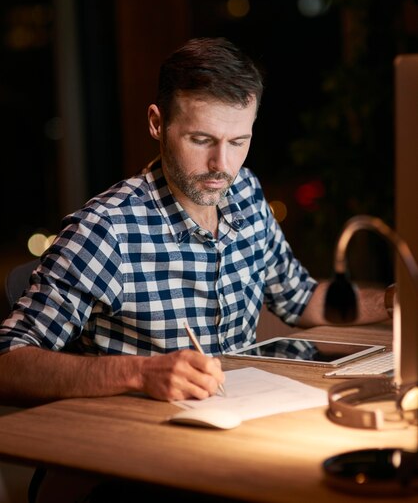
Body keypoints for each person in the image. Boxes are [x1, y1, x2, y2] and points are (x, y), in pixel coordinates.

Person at [0, 36, 391, 408]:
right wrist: (139, 373)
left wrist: (394, 302)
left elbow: (302, 299)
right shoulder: (105, 231)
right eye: (202, 140)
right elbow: (7, 363)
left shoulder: (246, 192)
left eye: (238, 142)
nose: (222, 167)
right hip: (136, 444)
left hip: (237, 420)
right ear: (157, 123)